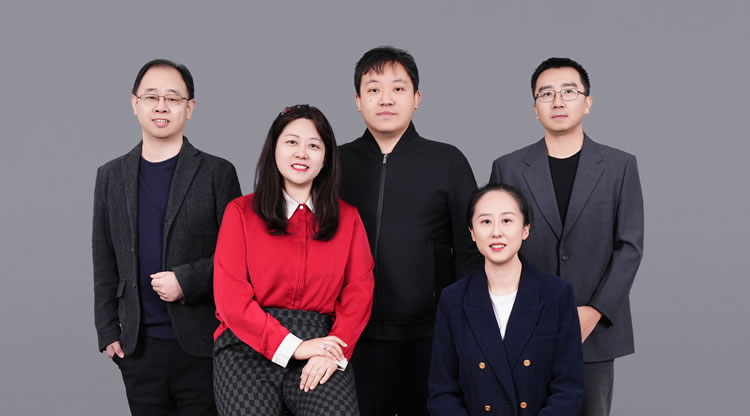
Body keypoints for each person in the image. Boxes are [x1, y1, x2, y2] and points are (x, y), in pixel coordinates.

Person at [489, 57, 644, 416]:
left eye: (569, 92)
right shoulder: (508, 168)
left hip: (595, 331)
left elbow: (630, 247)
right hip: (525, 326)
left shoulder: (620, 166)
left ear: (587, 102)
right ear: (535, 107)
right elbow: (498, 246)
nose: (557, 101)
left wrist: (595, 311)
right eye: (546, 94)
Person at [92, 59, 242, 415]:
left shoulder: (217, 173)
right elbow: (104, 256)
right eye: (151, 97)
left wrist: (187, 281)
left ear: (189, 108)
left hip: (203, 345)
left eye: (173, 98)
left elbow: (239, 256)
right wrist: (108, 331)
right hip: (138, 347)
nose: (161, 106)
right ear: (135, 103)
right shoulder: (110, 176)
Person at [339, 46, 483, 416]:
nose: (386, 99)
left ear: (416, 98)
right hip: (349, 336)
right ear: (358, 100)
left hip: (429, 335)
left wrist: (459, 323)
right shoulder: (334, 163)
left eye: (398, 89)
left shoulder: (447, 161)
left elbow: (470, 249)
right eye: (373, 89)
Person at [213, 104, 374, 416]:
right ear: (274, 148)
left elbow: (359, 292)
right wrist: (294, 346)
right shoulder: (241, 213)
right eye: (291, 142)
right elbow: (231, 299)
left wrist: (333, 349)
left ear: (326, 158)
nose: (302, 153)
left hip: (321, 342)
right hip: (246, 345)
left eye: (314, 146)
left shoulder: (348, 219)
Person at [428, 183, 584, 415]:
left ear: (525, 229)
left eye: (507, 220)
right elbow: (442, 392)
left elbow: (568, 388)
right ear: (472, 232)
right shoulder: (453, 300)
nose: (496, 232)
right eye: (485, 221)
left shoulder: (557, 294)